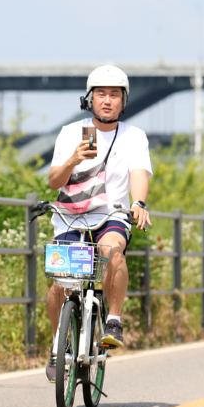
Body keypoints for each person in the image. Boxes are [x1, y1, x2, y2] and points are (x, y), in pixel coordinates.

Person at [45, 65, 153, 381]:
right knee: (59, 283)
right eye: (101, 94)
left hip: (112, 216)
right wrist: (73, 160)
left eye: (114, 95)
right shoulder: (71, 133)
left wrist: (139, 203)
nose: (107, 101)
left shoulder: (134, 137)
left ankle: (114, 320)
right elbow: (54, 181)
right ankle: (57, 344)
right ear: (90, 99)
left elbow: (138, 175)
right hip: (70, 215)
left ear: (124, 100)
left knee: (112, 252)